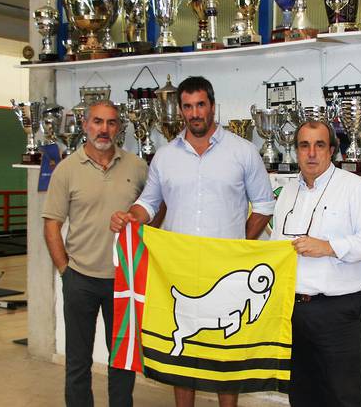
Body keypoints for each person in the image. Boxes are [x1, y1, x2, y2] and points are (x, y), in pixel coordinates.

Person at [109, 76, 275, 407]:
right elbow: (149, 204)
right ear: (180, 110)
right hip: (178, 268)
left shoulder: (243, 152)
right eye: (187, 106)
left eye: (200, 105)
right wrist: (130, 216)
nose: (194, 113)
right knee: (183, 350)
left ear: (212, 106)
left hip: (226, 269)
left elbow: (265, 206)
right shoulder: (165, 156)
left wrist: (239, 244)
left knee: (223, 354)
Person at [269, 121, 361, 407]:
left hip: (339, 311)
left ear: (331, 150)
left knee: (343, 395)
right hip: (294, 310)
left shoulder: (352, 187)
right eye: (304, 145)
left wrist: (330, 247)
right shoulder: (287, 193)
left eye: (319, 145)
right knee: (302, 393)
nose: (311, 153)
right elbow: (276, 247)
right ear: (296, 151)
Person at [43, 100, 147, 407]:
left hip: (123, 282)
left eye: (111, 123)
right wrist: (66, 271)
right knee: (77, 362)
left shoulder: (137, 167)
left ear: (119, 128)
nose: (104, 129)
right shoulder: (66, 170)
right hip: (81, 280)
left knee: (122, 362)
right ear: (86, 125)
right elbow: (52, 225)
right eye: (98, 122)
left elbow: (155, 206)